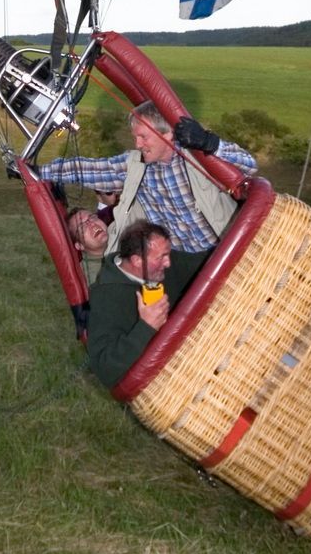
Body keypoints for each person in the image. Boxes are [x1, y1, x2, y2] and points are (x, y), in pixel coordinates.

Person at [39, 102, 256, 254]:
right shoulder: (136, 165)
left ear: (168, 133)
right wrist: (37, 173)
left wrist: (210, 143)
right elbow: (87, 170)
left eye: (143, 137)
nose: (137, 144)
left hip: (227, 244)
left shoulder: (194, 153)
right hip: (182, 258)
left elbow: (249, 166)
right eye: (136, 137)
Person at [86, 220, 209, 388]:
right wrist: (146, 326)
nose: (168, 263)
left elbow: (204, 262)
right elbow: (105, 369)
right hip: (167, 384)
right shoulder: (105, 298)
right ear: (137, 261)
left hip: (201, 352)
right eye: (161, 258)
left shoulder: (163, 265)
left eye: (168, 253)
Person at [66, 206, 110, 282]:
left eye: (92, 218)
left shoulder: (120, 230)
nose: (92, 224)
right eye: (82, 227)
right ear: (80, 245)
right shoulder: (94, 278)